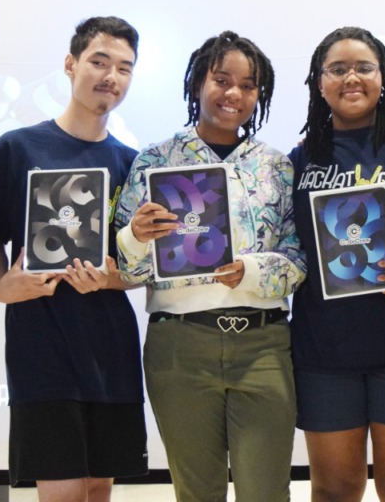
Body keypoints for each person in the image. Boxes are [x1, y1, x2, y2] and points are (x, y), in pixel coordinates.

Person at [114, 31, 306, 502]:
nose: (233, 94)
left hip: (263, 347)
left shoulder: (276, 167)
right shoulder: (155, 161)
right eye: (221, 80)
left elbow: (300, 257)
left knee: (266, 493)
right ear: (198, 82)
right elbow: (127, 272)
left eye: (248, 84)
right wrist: (135, 237)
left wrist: (254, 271)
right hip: (180, 348)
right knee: (197, 493)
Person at [0, 16, 148, 500]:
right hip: (43, 349)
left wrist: (114, 279)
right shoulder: (17, 146)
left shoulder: (132, 162)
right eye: (99, 61)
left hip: (110, 350)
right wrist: (0, 286)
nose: (110, 76)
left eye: (124, 68)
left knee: (98, 490)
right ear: (71, 65)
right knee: (65, 493)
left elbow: (138, 268)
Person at [289, 27, 385, 502]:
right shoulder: (300, 159)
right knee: (334, 490)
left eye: (363, 67)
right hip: (324, 351)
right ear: (320, 82)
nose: (350, 77)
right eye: (337, 69)